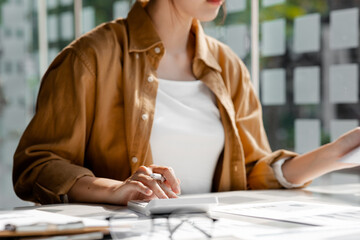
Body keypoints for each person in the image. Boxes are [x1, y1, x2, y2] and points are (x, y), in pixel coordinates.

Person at [13, 0, 360, 205]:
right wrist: (116, 190)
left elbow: (251, 172)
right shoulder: (89, 59)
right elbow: (37, 166)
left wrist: (333, 155)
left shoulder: (228, 66)